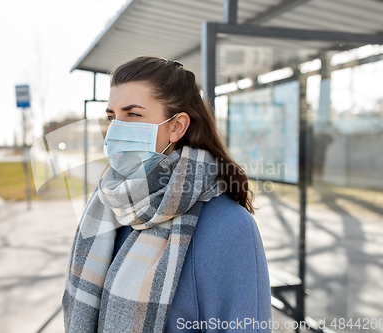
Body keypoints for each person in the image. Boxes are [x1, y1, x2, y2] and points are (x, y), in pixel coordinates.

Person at [62, 56, 272, 332]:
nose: (115, 130)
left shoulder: (230, 228)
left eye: (133, 114)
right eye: (112, 117)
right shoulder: (107, 209)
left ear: (176, 127)